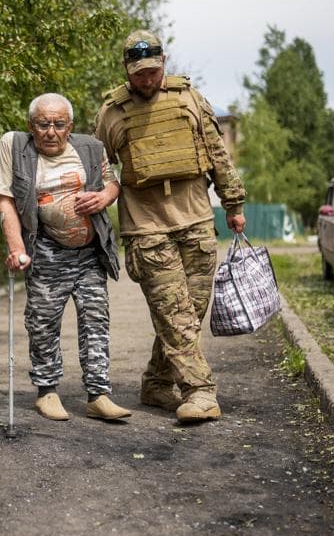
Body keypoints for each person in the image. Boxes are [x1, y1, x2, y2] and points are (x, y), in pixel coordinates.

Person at [94, 29, 247, 423]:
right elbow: (97, 170)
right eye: (138, 73)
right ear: (126, 70)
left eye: (153, 70)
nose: (147, 79)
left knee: (188, 314)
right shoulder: (112, 112)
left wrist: (233, 203)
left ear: (163, 63)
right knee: (174, 313)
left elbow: (217, 153)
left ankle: (157, 383)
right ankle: (201, 392)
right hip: (146, 229)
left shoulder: (190, 99)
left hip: (196, 221)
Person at [0, 92, 131, 422]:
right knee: (43, 323)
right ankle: (47, 392)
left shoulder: (91, 147)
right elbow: (5, 201)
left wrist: (102, 198)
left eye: (58, 124)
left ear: (69, 126)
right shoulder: (14, 146)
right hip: (46, 249)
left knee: (96, 320)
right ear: (31, 125)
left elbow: (114, 183)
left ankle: (98, 395)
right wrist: (17, 249)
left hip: (89, 251)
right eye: (43, 124)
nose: (51, 131)